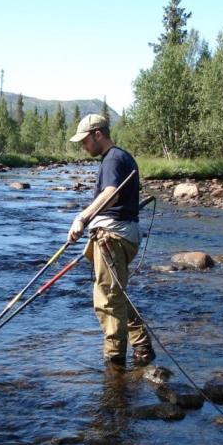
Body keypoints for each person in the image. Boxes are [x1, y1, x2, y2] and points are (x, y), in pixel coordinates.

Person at [67, 113, 155, 366]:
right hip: (120, 235)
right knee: (115, 294)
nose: (83, 146)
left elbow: (111, 195)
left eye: (85, 141)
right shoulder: (120, 157)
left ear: (98, 134)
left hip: (112, 237)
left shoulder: (113, 159)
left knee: (106, 298)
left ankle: (115, 362)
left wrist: (81, 218)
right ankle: (142, 346)